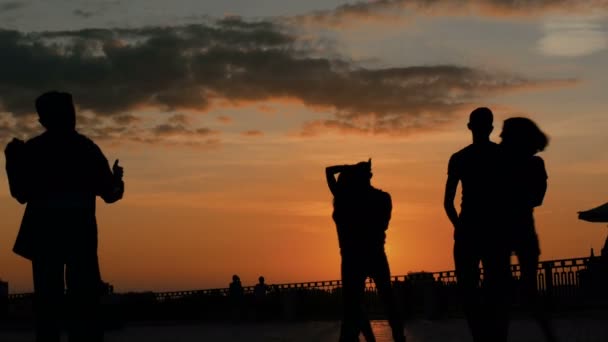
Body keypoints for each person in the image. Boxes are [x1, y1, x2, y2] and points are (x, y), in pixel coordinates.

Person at [4, 91, 124, 342]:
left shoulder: (35, 150)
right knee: (85, 302)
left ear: (43, 121)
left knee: (48, 302)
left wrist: (12, 162)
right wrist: (117, 180)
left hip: (45, 236)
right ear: (71, 116)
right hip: (80, 234)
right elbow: (110, 194)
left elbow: (20, 193)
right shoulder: (86, 149)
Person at [443, 107, 510, 342]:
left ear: (470, 127)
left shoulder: (459, 158)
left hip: (468, 231)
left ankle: (480, 337)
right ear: (491, 129)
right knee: (498, 291)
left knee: (469, 293)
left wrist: (459, 225)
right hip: (495, 232)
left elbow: (448, 202)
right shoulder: (503, 155)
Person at [326, 160, 405, 342]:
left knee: (353, 305)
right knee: (388, 300)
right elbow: (384, 224)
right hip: (375, 253)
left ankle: (367, 338)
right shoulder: (383, 198)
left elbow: (328, 171)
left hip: (351, 257)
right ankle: (399, 337)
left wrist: (346, 167)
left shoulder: (344, 198)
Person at [499, 117, 556, 342]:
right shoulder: (533, 164)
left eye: (505, 134)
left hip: (504, 231)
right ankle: (548, 335)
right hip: (521, 229)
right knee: (527, 290)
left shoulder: (503, 163)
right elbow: (537, 198)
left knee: (504, 290)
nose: (501, 138)